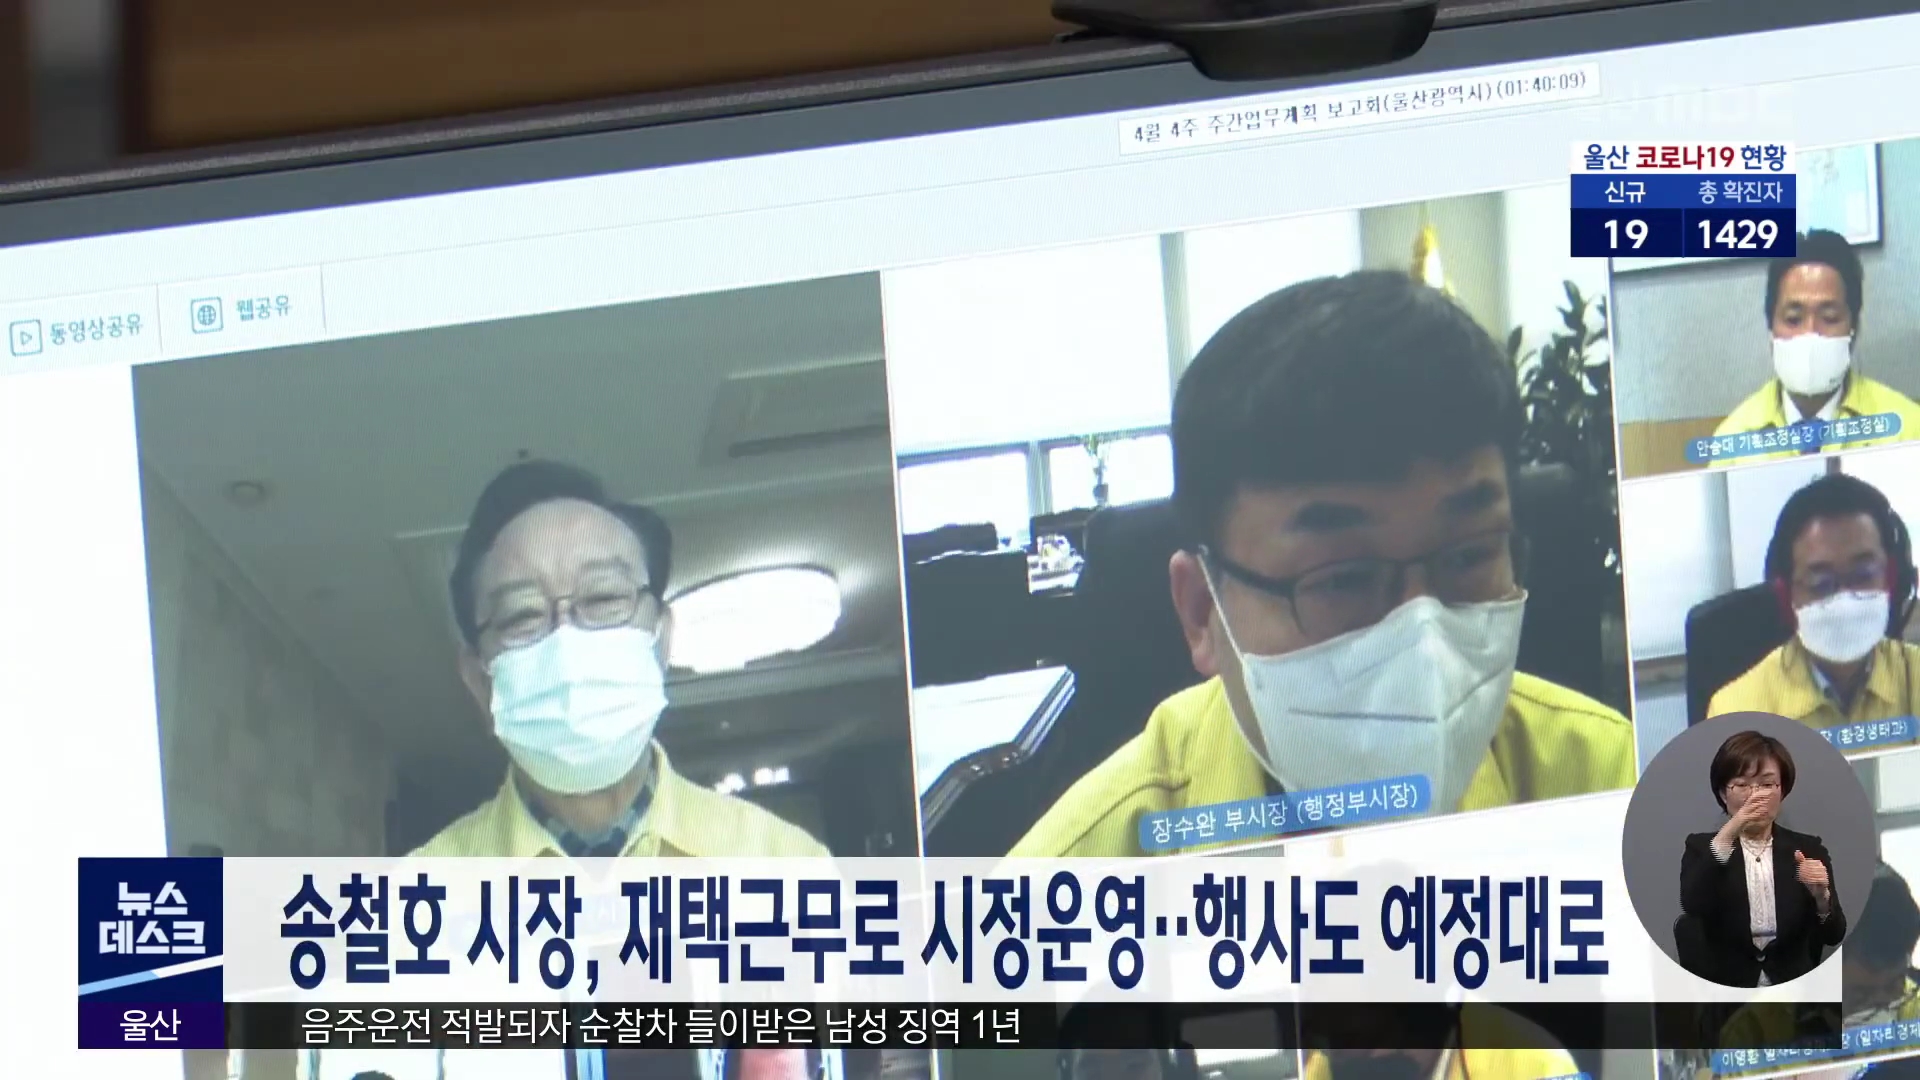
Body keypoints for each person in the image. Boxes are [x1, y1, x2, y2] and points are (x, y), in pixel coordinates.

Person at [1009, 271, 1634, 858]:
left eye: (1469, 556)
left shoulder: (1617, 784)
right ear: (1202, 612)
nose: (1424, 645)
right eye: (1344, 579)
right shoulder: (1067, 893)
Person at [410, 459, 828, 858]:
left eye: (604, 597)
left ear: (661, 642)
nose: (567, 647)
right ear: (479, 681)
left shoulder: (782, 861)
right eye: (522, 615)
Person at [1706, 473, 1920, 744]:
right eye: (1821, 584)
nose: (1845, 602)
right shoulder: (1736, 713)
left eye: (1863, 574)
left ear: (1892, 579)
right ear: (1787, 598)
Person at [1711, 230, 1920, 464]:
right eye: (1793, 319)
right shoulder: (1732, 439)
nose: (1810, 333)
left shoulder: (1908, 429)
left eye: (1829, 318)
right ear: (1771, 328)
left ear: (1854, 327)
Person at [1679, 731, 1845, 988]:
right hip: (1727, 992)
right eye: (1742, 785)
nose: (1755, 795)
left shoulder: (1808, 849)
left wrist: (1822, 898)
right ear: (1723, 794)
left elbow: (1833, 935)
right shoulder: (1702, 848)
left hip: (1795, 992)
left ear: (1782, 790)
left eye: (1767, 785)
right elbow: (1693, 905)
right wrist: (1730, 831)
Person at [1718, 862, 1920, 1059]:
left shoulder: (1914, 1009)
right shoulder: (1754, 1033)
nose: (1881, 1009)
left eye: (1894, 986)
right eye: (1861, 995)